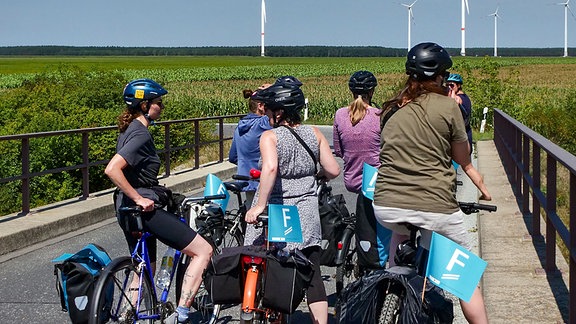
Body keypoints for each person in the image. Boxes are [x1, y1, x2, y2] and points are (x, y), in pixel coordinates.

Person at [372, 43, 491, 324]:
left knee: (400, 236)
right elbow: (463, 158)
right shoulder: (448, 107)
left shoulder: (391, 108)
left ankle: (393, 281)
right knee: (466, 280)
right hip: (434, 206)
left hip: (386, 204)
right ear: (439, 76)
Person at [104, 78, 213, 324]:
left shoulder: (129, 129)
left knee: (143, 268)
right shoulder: (140, 134)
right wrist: (139, 197)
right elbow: (112, 169)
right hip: (143, 212)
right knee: (203, 251)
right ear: (144, 106)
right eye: (158, 103)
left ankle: (127, 316)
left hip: (125, 211)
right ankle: (182, 314)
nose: (161, 107)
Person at [244, 81, 340, 324]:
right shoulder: (315, 133)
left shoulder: (270, 137)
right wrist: (313, 176)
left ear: (279, 112)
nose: (266, 116)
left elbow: (271, 168)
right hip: (305, 209)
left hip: (277, 209)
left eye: (268, 111)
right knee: (312, 274)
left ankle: (266, 309)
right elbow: (333, 170)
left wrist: (259, 206)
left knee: (266, 262)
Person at [333, 70, 390, 268]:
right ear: (372, 91)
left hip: (353, 180)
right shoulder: (380, 115)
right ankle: (382, 260)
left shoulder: (340, 115)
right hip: (377, 182)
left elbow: (339, 150)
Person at [228, 84, 273, 208]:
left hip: (246, 179)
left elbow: (232, 156)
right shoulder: (262, 123)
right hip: (263, 180)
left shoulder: (241, 125)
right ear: (260, 106)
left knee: (251, 217)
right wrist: (274, 88)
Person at [447, 73, 473, 153]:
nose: (449, 87)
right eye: (447, 85)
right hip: (466, 133)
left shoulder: (459, 98)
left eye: (452, 85)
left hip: (461, 137)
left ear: (458, 85)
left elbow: (455, 101)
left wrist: (452, 95)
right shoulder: (465, 97)